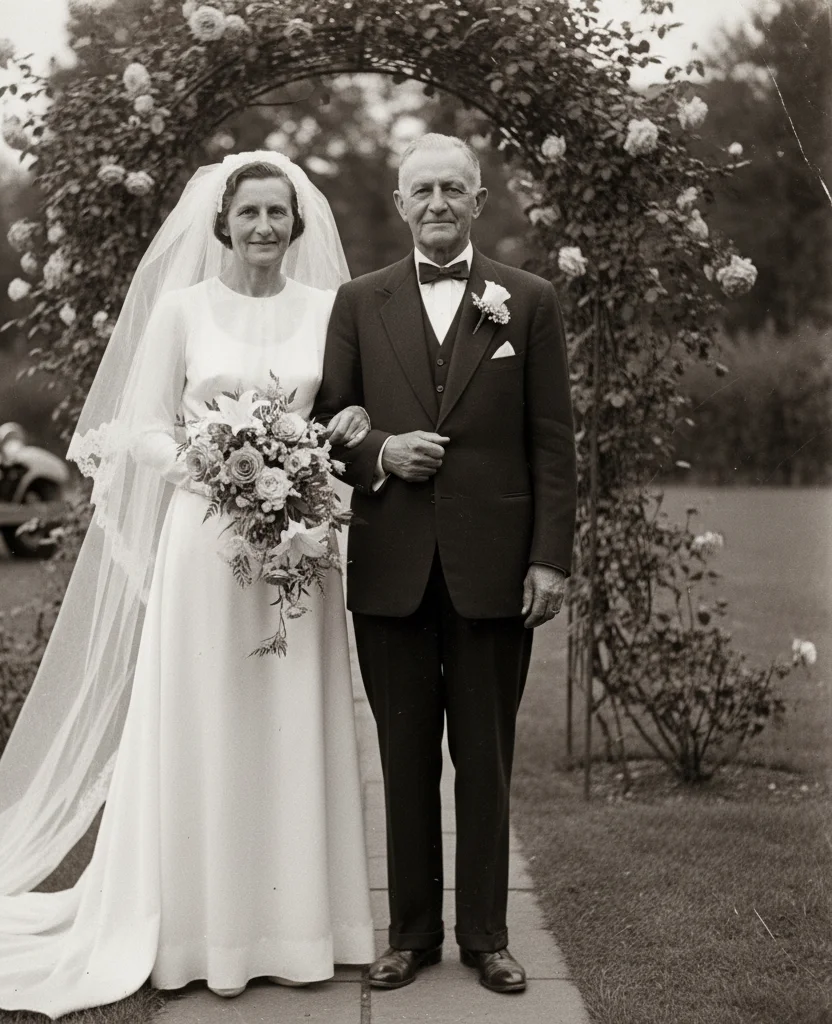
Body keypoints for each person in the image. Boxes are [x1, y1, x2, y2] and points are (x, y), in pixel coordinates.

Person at [0, 152, 376, 1016]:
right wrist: (217, 464)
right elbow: (139, 430)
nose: (265, 226)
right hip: (205, 540)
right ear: (223, 222)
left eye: (279, 213)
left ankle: (301, 931)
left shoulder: (331, 310)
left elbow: (349, 410)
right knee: (206, 716)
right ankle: (200, 933)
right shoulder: (184, 312)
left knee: (292, 715)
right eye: (250, 212)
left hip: (292, 546)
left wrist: (317, 447)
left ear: (298, 226)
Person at [313, 133, 577, 995]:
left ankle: (489, 937)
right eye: (421, 189)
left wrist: (549, 560)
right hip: (392, 566)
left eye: (452, 189)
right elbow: (330, 426)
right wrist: (384, 452)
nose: (436, 203)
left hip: (495, 568)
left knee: (486, 759)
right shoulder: (359, 300)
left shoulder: (527, 300)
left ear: (478, 198)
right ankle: (412, 936)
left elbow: (552, 443)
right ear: (399, 203)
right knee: (402, 757)